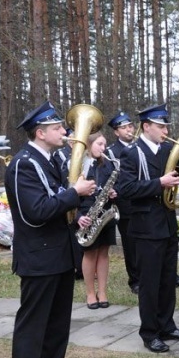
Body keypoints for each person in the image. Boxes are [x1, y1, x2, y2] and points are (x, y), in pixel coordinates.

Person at [6, 101, 96, 358]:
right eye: (57, 128)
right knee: (33, 322)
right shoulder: (24, 164)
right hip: (39, 255)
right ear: (40, 133)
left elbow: (60, 198)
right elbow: (36, 212)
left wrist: (78, 196)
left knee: (58, 317)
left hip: (59, 252)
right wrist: (74, 193)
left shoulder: (51, 159)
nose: (65, 132)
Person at [116, 104, 179, 353]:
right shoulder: (132, 153)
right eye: (161, 126)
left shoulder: (168, 150)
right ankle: (150, 333)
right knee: (150, 284)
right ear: (146, 126)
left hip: (167, 223)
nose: (166, 131)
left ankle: (167, 325)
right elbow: (125, 189)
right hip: (146, 227)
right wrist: (159, 183)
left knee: (167, 280)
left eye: (166, 126)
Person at [77, 132, 118, 309]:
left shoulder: (107, 164)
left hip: (105, 212)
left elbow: (114, 184)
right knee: (90, 253)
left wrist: (113, 192)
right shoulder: (77, 165)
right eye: (99, 144)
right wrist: (78, 216)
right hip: (87, 214)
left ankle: (102, 292)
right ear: (88, 144)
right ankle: (90, 293)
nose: (104, 148)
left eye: (105, 145)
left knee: (103, 252)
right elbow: (68, 192)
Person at [107, 112, 140, 294]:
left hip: (142, 199)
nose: (129, 130)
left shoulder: (139, 146)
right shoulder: (111, 151)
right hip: (125, 203)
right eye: (124, 128)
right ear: (116, 132)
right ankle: (135, 280)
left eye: (130, 126)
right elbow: (111, 177)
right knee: (130, 243)